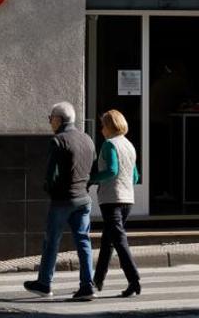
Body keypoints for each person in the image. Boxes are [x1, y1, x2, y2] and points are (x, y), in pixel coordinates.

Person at [24, 101, 98, 301]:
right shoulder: (88, 139)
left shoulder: (58, 140)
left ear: (58, 119)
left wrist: (50, 189)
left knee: (51, 242)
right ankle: (87, 286)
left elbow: (51, 174)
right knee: (83, 241)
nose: (50, 122)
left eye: (50, 118)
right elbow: (94, 170)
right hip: (84, 199)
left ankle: (44, 283)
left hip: (63, 200)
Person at [90, 109, 141, 297]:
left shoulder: (109, 145)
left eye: (103, 125)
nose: (101, 129)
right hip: (128, 199)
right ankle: (97, 281)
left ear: (109, 126)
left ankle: (134, 278)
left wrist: (92, 178)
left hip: (112, 199)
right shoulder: (129, 145)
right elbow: (135, 176)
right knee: (108, 241)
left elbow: (111, 170)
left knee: (118, 240)